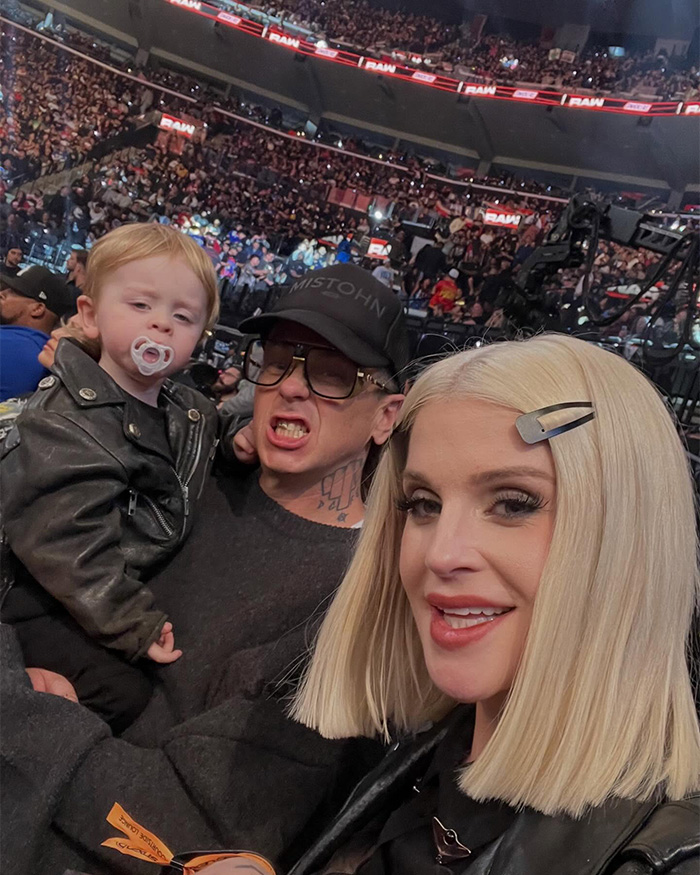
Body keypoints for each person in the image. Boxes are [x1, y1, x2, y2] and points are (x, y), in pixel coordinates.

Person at [0, 264, 408, 875]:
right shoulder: (176, 472)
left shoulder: (357, 610)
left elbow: (185, 826)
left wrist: (19, 707)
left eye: (332, 375)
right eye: (277, 361)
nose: (291, 387)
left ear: (386, 416)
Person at [290, 334, 700, 874]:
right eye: (424, 504)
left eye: (513, 503)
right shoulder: (417, 755)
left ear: (626, 538)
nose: (441, 552)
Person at [0, 223, 220, 733]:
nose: (162, 324)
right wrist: (131, 623)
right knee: (124, 693)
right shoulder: (64, 419)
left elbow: (203, 435)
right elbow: (65, 544)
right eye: (141, 306)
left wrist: (235, 442)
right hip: (41, 592)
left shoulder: (185, 407)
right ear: (91, 316)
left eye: (183, 316)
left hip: (109, 583)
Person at [0, 265, 74, 401]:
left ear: (38, 309)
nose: (2, 293)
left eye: (14, 292)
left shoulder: (15, 346)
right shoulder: (40, 348)